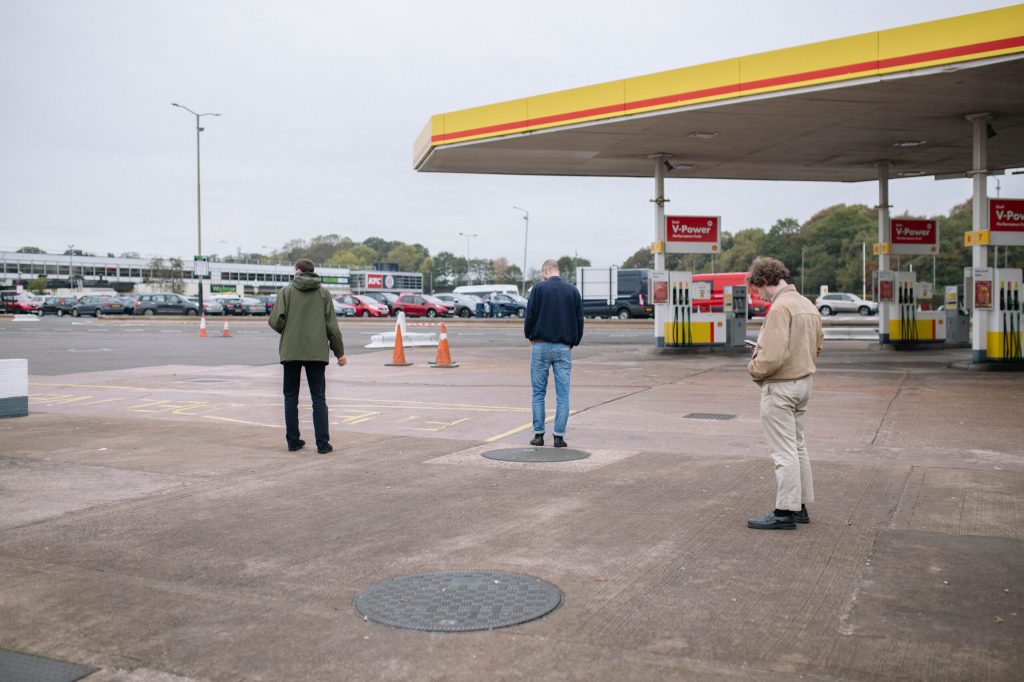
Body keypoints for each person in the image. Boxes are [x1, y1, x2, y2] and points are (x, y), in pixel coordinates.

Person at [745, 256, 824, 530]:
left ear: (765, 281)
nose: (761, 297)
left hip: (781, 387)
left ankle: (784, 512)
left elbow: (772, 357)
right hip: (804, 382)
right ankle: (800, 506)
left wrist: (754, 366)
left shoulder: (780, 308)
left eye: (758, 290)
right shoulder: (807, 304)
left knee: (783, 451)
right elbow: (817, 346)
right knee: (798, 445)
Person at [269, 259, 347, 454]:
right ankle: (322, 443)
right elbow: (332, 326)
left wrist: (289, 333)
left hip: (291, 351)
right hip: (316, 353)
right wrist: (340, 353)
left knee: (290, 397)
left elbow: (275, 320)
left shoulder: (286, 292)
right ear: (313, 272)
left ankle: (293, 441)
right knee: (318, 397)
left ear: (297, 271)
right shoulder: (323, 293)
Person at [523, 259, 584, 447]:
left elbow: (530, 316)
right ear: (558, 271)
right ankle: (558, 436)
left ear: (545, 271)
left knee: (538, 393)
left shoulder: (538, 289)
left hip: (540, 346)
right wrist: (574, 341)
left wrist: (530, 335)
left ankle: (539, 435)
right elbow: (579, 319)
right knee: (563, 394)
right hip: (563, 347)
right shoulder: (572, 291)